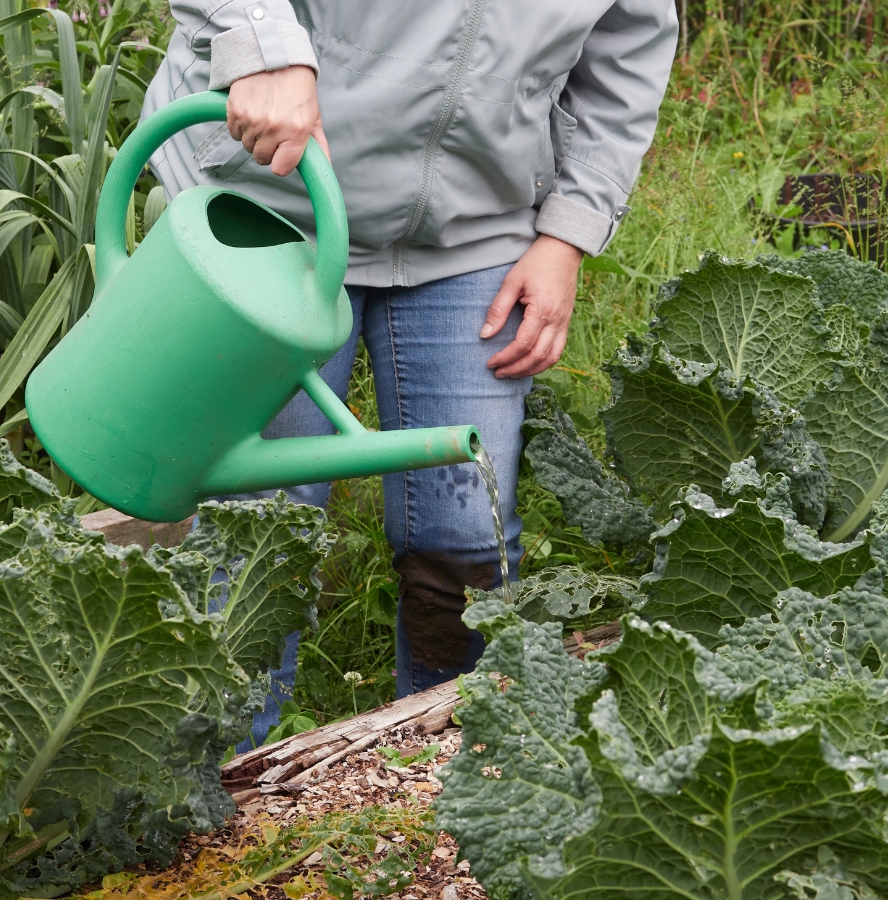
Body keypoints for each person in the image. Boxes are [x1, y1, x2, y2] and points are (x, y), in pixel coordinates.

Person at [144, 0, 677, 743]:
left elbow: (629, 53)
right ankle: (214, 785)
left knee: (465, 542)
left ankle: (436, 782)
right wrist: (263, 44)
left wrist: (568, 234)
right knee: (259, 528)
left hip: (475, 230)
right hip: (274, 198)